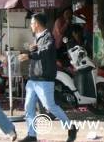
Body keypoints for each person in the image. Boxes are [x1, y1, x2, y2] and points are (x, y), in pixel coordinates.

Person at [18, 13, 77, 142]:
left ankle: (71, 127)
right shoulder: (37, 37)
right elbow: (38, 52)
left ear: (37, 24)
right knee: (28, 107)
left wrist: (29, 55)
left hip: (44, 79)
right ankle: (31, 135)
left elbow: (44, 52)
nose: (30, 25)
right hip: (33, 78)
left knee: (50, 106)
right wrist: (30, 50)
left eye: (32, 23)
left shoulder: (49, 37)